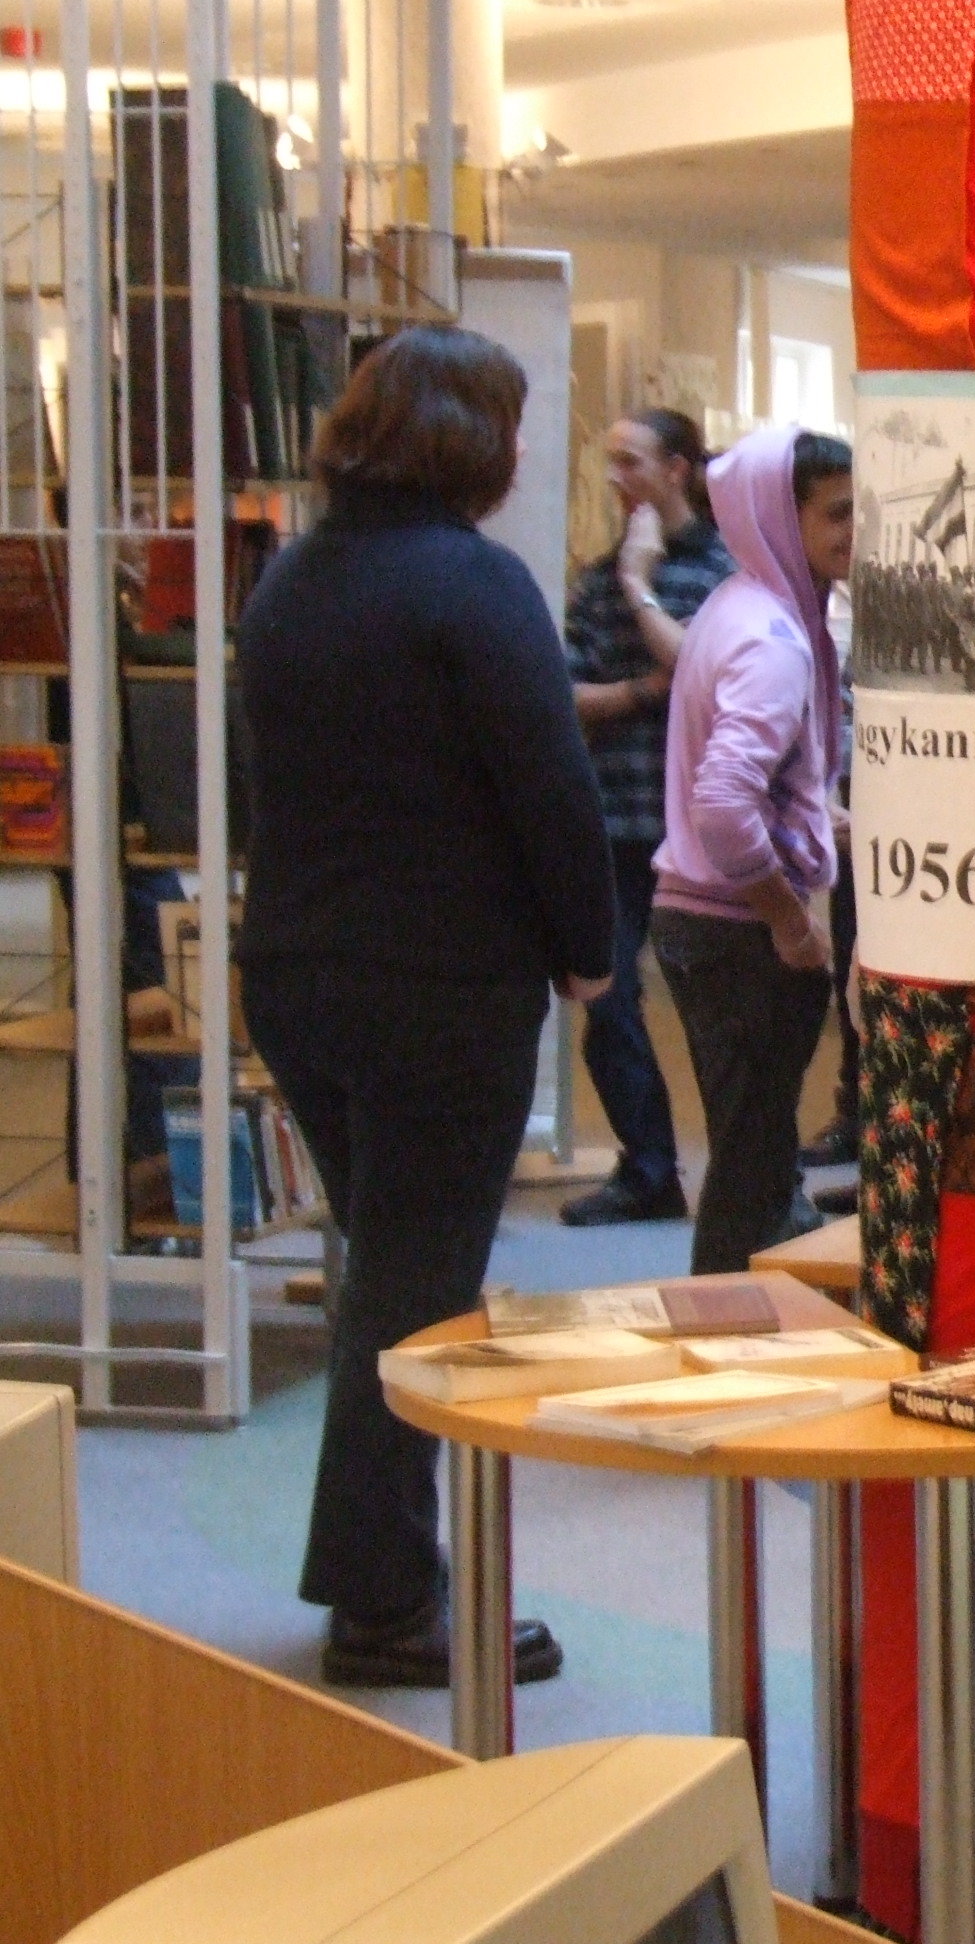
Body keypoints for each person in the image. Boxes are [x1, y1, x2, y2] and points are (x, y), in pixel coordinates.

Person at [237, 325, 615, 1687]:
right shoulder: (475, 585)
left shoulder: (290, 582)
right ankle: (387, 1603)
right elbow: (551, 789)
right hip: (440, 989)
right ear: (471, 442)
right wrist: (588, 951)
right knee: (415, 1295)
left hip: (296, 973)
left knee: (385, 1274)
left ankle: (387, 1571)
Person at [652, 427, 853, 1276]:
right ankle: (723, 1333)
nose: (856, 532)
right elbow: (725, 805)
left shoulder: (738, 606)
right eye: (837, 513)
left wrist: (814, 820)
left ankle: (735, 1330)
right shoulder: (773, 638)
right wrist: (788, 921)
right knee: (748, 1179)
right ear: (779, 515)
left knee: (754, 1165)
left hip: (707, 923)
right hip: (737, 934)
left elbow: (745, 782)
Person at [559, 410, 734, 1227]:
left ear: (676, 469)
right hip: (617, 820)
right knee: (608, 996)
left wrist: (643, 586)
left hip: (707, 826)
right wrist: (639, 692)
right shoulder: (597, 582)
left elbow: (709, 669)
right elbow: (566, 694)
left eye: (630, 461)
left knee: (723, 1009)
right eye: (612, 461)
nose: (615, 478)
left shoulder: (733, 570)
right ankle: (649, 1170)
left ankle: (751, 1177)